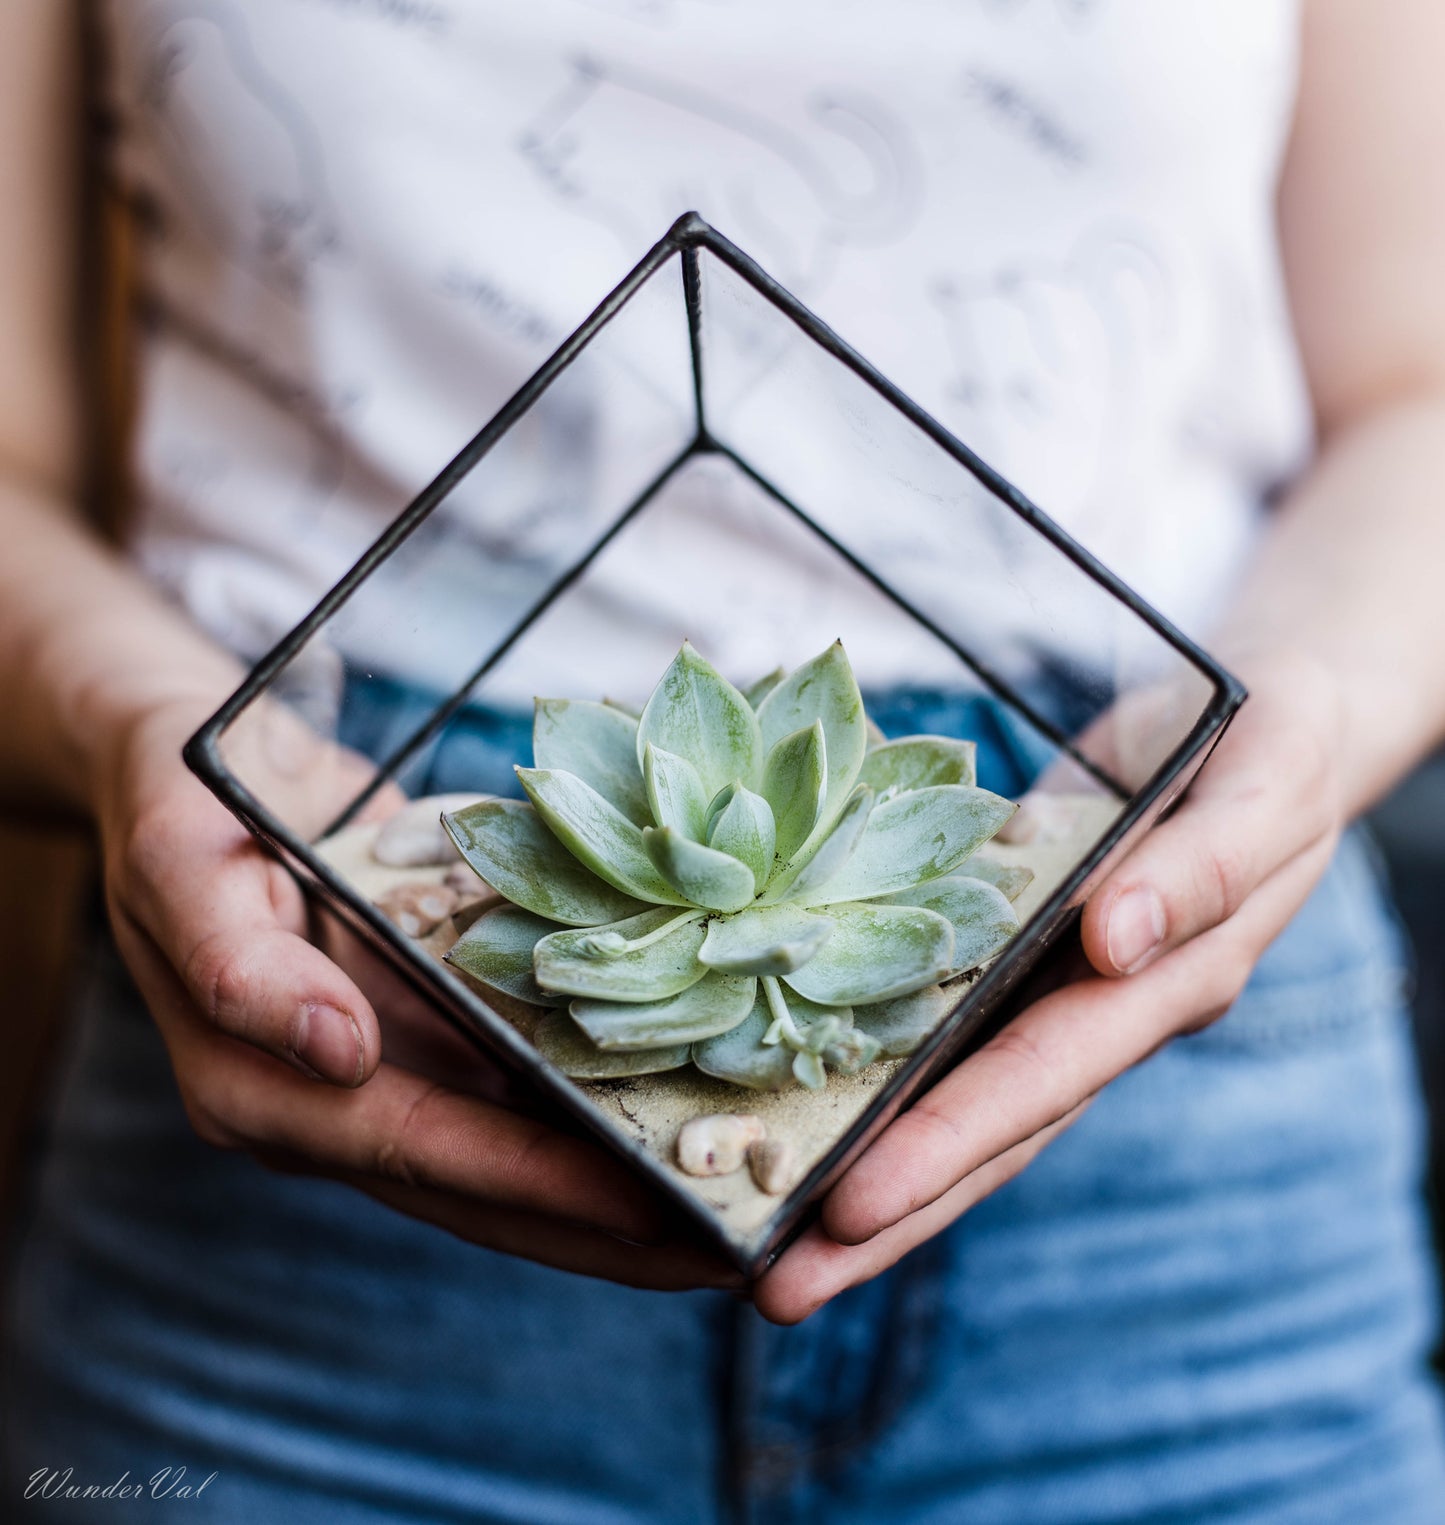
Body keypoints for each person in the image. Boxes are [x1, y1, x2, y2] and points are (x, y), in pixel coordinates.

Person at [4, 1, 1445, 1519]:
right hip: (329, 1023)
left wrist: (1311, 706)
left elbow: (1413, 385)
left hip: (1165, 1080)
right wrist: (131, 717)